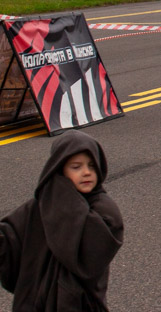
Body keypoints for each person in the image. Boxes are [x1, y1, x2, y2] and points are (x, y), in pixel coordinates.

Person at [0, 131, 124, 311]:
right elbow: (10, 236)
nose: (86, 172)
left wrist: (62, 195)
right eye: (76, 167)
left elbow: (93, 254)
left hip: (80, 302)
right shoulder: (42, 204)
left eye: (91, 165)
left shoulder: (102, 207)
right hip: (35, 300)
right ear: (59, 169)